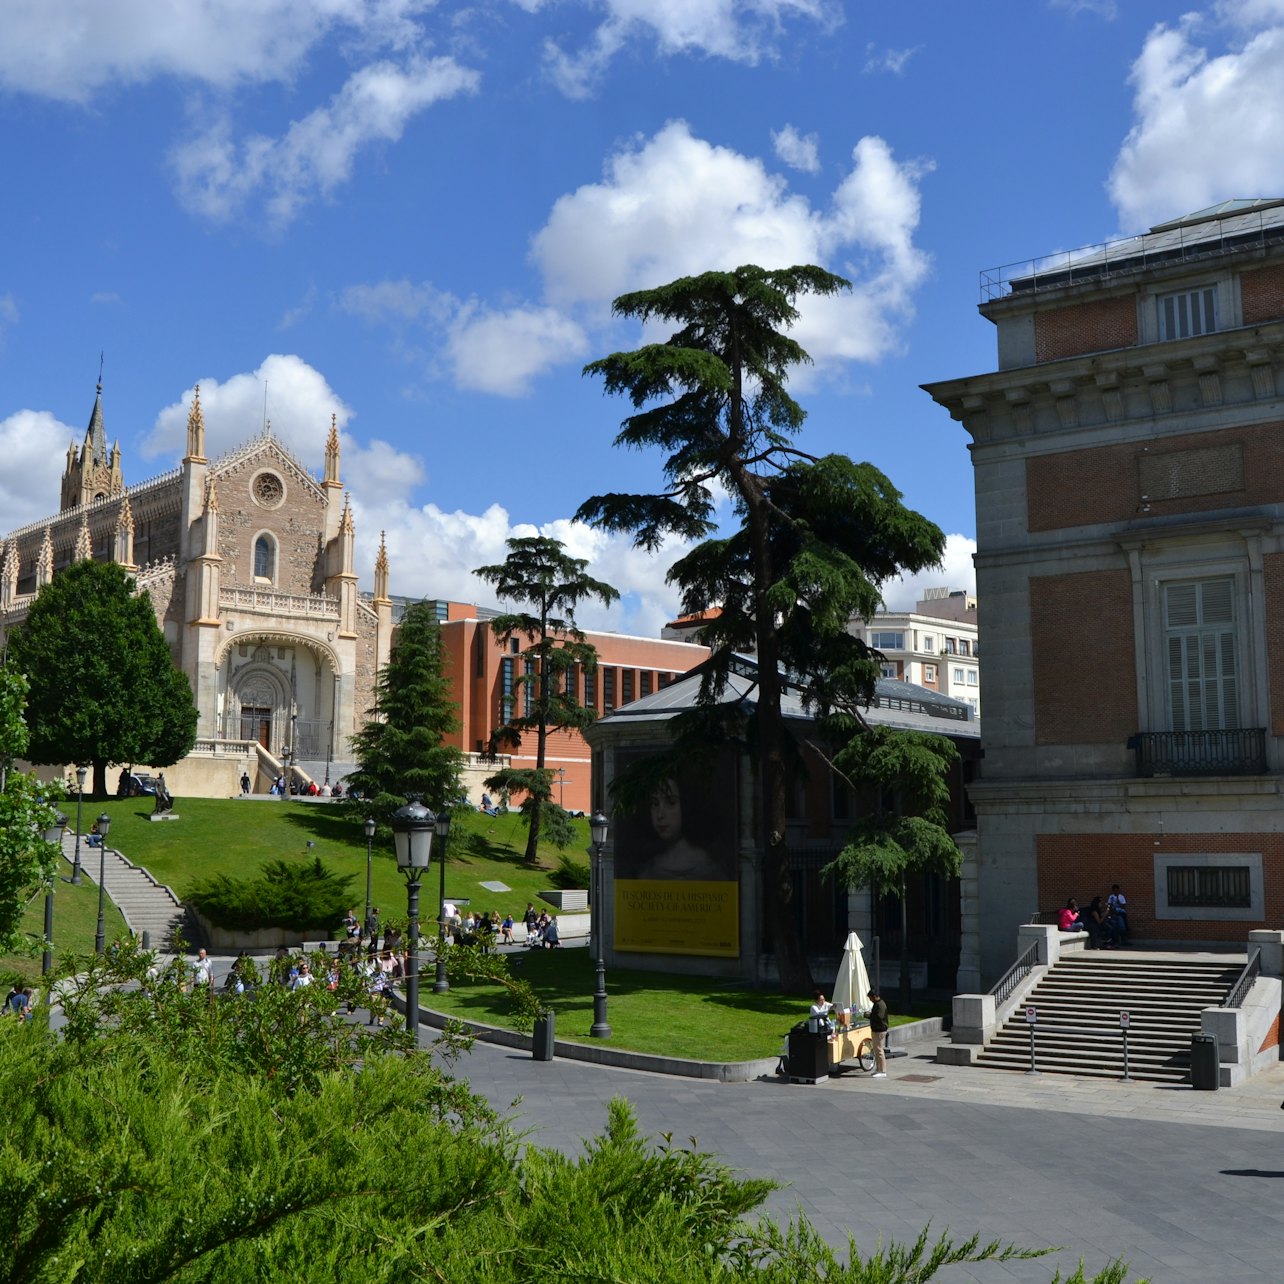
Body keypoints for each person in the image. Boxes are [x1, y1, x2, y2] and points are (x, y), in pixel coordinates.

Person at [637, 777, 724, 881]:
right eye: (655, 804)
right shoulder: (648, 868)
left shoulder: (708, 867)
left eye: (671, 803)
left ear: (687, 804)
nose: (660, 815)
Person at [867, 987, 889, 1077]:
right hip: (877, 1029)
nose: (870, 1000)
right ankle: (878, 1069)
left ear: (875, 996)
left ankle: (882, 1071)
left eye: (870, 998)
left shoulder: (880, 1005)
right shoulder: (877, 1004)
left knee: (879, 1050)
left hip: (880, 1030)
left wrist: (869, 1015)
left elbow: (879, 1017)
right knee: (876, 1050)